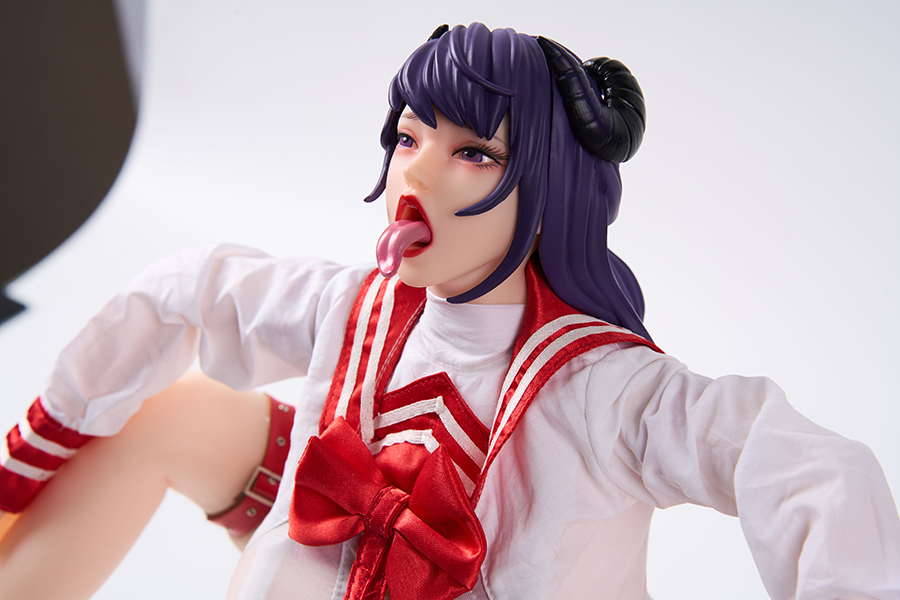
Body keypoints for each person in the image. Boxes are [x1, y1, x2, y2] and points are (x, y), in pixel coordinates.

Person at [1, 22, 898, 600]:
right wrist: (33, 456)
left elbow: (814, 470)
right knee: (166, 412)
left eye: (473, 153)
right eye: (407, 137)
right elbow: (186, 290)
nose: (415, 174)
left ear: (544, 193)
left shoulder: (604, 391)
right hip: (324, 562)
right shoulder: (359, 308)